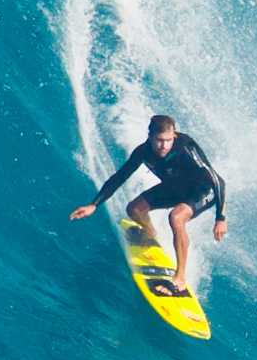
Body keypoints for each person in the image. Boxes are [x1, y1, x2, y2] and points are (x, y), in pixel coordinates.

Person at [69, 114, 230, 293]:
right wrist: (94, 205)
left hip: (203, 191)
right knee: (134, 209)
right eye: (160, 140)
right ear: (150, 137)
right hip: (175, 188)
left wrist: (220, 217)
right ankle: (149, 232)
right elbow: (119, 177)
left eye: (168, 140)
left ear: (174, 136)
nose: (164, 146)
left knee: (176, 217)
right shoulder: (143, 152)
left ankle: (180, 278)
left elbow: (218, 182)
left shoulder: (185, 147)